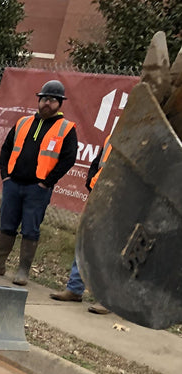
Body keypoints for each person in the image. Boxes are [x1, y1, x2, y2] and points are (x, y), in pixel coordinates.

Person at [0, 79, 78, 285]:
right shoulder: (23, 123)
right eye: (44, 99)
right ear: (39, 100)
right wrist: (6, 175)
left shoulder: (66, 129)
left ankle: (23, 271)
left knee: (30, 228)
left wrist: (46, 182)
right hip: (13, 184)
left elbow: (68, 159)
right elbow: (5, 148)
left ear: (60, 104)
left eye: (53, 100)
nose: (47, 103)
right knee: (7, 224)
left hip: (37, 188)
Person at [49, 134, 112, 314]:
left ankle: (107, 300)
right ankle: (74, 289)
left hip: (122, 200)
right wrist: (91, 181)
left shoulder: (145, 137)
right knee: (85, 241)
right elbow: (98, 162)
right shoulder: (112, 136)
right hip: (98, 194)